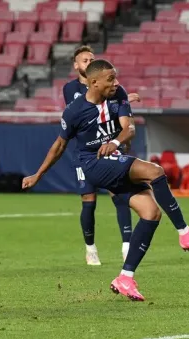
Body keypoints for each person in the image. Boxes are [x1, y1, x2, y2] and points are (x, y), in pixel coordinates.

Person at [22, 59, 189, 301]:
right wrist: (38, 174)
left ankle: (125, 278)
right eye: (110, 79)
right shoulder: (74, 111)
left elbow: (129, 128)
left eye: (116, 77)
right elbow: (60, 145)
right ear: (93, 83)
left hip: (112, 156)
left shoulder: (119, 95)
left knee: (151, 213)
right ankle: (185, 232)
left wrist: (114, 142)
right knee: (155, 171)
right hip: (92, 164)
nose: (116, 82)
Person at [64, 45, 142, 265]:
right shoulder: (71, 89)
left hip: (109, 146)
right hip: (85, 153)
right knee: (88, 201)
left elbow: (115, 105)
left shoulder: (112, 88)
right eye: (85, 60)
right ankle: (90, 248)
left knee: (119, 195)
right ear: (76, 65)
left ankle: (127, 245)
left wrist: (124, 102)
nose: (89, 62)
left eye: (92, 59)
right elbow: (81, 111)